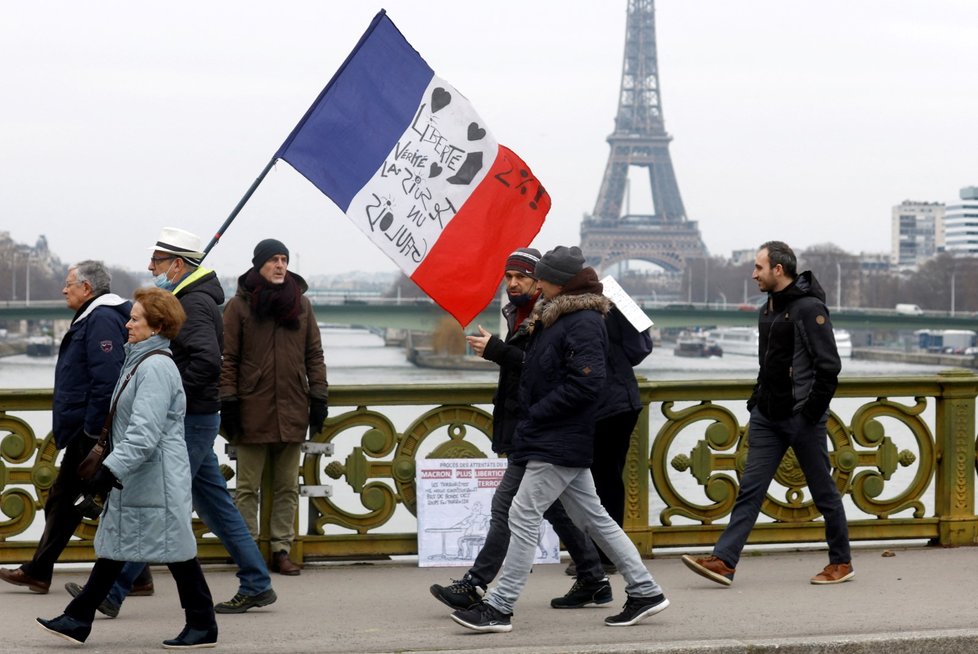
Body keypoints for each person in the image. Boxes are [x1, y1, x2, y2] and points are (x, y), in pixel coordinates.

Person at [450, 246, 669, 634]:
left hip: (559, 432)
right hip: (559, 430)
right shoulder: (561, 316)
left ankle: (500, 606)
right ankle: (644, 589)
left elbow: (585, 382)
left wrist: (537, 411)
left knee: (522, 513)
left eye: (542, 277)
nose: (536, 282)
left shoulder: (580, 320)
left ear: (557, 282)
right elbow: (547, 368)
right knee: (594, 516)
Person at [65, 227, 277, 616]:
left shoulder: (193, 303)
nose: (150, 267)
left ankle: (112, 591)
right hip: (195, 416)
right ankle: (257, 581)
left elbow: (206, 362)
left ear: (178, 264)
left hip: (189, 419)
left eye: (157, 261)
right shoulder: (192, 297)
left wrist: (169, 395)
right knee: (212, 504)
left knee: (161, 503)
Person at [36, 287, 218, 649]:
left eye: (135, 319)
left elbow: (144, 432)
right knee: (120, 545)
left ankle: (202, 624)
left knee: (176, 552)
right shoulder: (142, 361)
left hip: (154, 476)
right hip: (143, 475)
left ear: (156, 326)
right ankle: (79, 617)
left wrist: (110, 469)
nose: (128, 324)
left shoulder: (155, 367)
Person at [430, 248, 609, 612]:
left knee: (507, 506)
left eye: (522, 277)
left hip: (542, 423)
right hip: (525, 420)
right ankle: (596, 578)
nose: (513, 283)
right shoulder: (521, 311)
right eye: (508, 277)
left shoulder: (551, 315)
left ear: (540, 280)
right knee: (560, 509)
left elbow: (545, 370)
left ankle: (479, 586)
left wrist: (497, 351)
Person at [682, 240, 853, 586]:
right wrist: (756, 400)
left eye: (758, 268)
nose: (753, 274)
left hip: (801, 417)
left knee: (823, 492)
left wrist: (809, 415)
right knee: (750, 489)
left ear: (778, 269)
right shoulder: (768, 308)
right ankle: (725, 561)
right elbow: (768, 365)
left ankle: (842, 562)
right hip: (767, 416)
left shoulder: (809, 309)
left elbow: (829, 368)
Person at [0, 261, 129, 595]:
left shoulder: (100, 319)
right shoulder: (103, 316)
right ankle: (134, 576)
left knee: (64, 500)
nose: (63, 289)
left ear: (87, 289)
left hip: (92, 433)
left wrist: (91, 431)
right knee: (78, 500)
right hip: (94, 430)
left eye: (69, 283)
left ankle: (39, 570)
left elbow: (105, 381)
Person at [220, 238, 328, 575]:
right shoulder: (238, 306)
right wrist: (229, 401)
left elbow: (314, 354)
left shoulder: (302, 305)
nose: (280, 265)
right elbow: (228, 359)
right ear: (259, 265)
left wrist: (319, 396)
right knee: (247, 488)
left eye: (284, 259)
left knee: (286, 487)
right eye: (273, 260)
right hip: (252, 407)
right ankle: (247, 551)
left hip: (293, 405)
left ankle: (282, 549)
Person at [585, 304, 654, 573]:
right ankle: (604, 553)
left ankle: (603, 555)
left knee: (600, 480)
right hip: (621, 399)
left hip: (606, 403)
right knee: (607, 479)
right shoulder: (617, 299)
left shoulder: (584, 305)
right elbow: (640, 349)